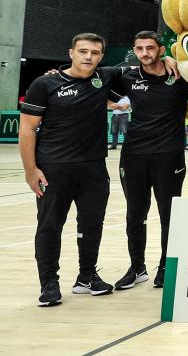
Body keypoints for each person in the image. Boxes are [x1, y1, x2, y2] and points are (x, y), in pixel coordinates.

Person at [20, 33, 127, 305]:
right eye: (83, 51)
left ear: (101, 57)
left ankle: (86, 277)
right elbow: (27, 129)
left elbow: (144, 65)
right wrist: (31, 170)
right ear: (71, 53)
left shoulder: (104, 78)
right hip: (53, 168)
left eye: (94, 52)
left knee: (92, 224)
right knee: (50, 226)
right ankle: (49, 284)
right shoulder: (45, 83)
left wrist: (169, 60)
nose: (88, 57)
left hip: (93, 168)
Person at [108, 31, 188, 290]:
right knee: (135, 214)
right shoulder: (128, 77)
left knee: (169, 214)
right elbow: (90, 78)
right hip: (133, 155)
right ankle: (137, 267)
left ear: (161, 49)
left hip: (169, 156)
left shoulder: (181, 75)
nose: (145, 53)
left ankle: (166, 266)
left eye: (150, 48)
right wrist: (57, 73)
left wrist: (176, 62)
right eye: (140, 48)